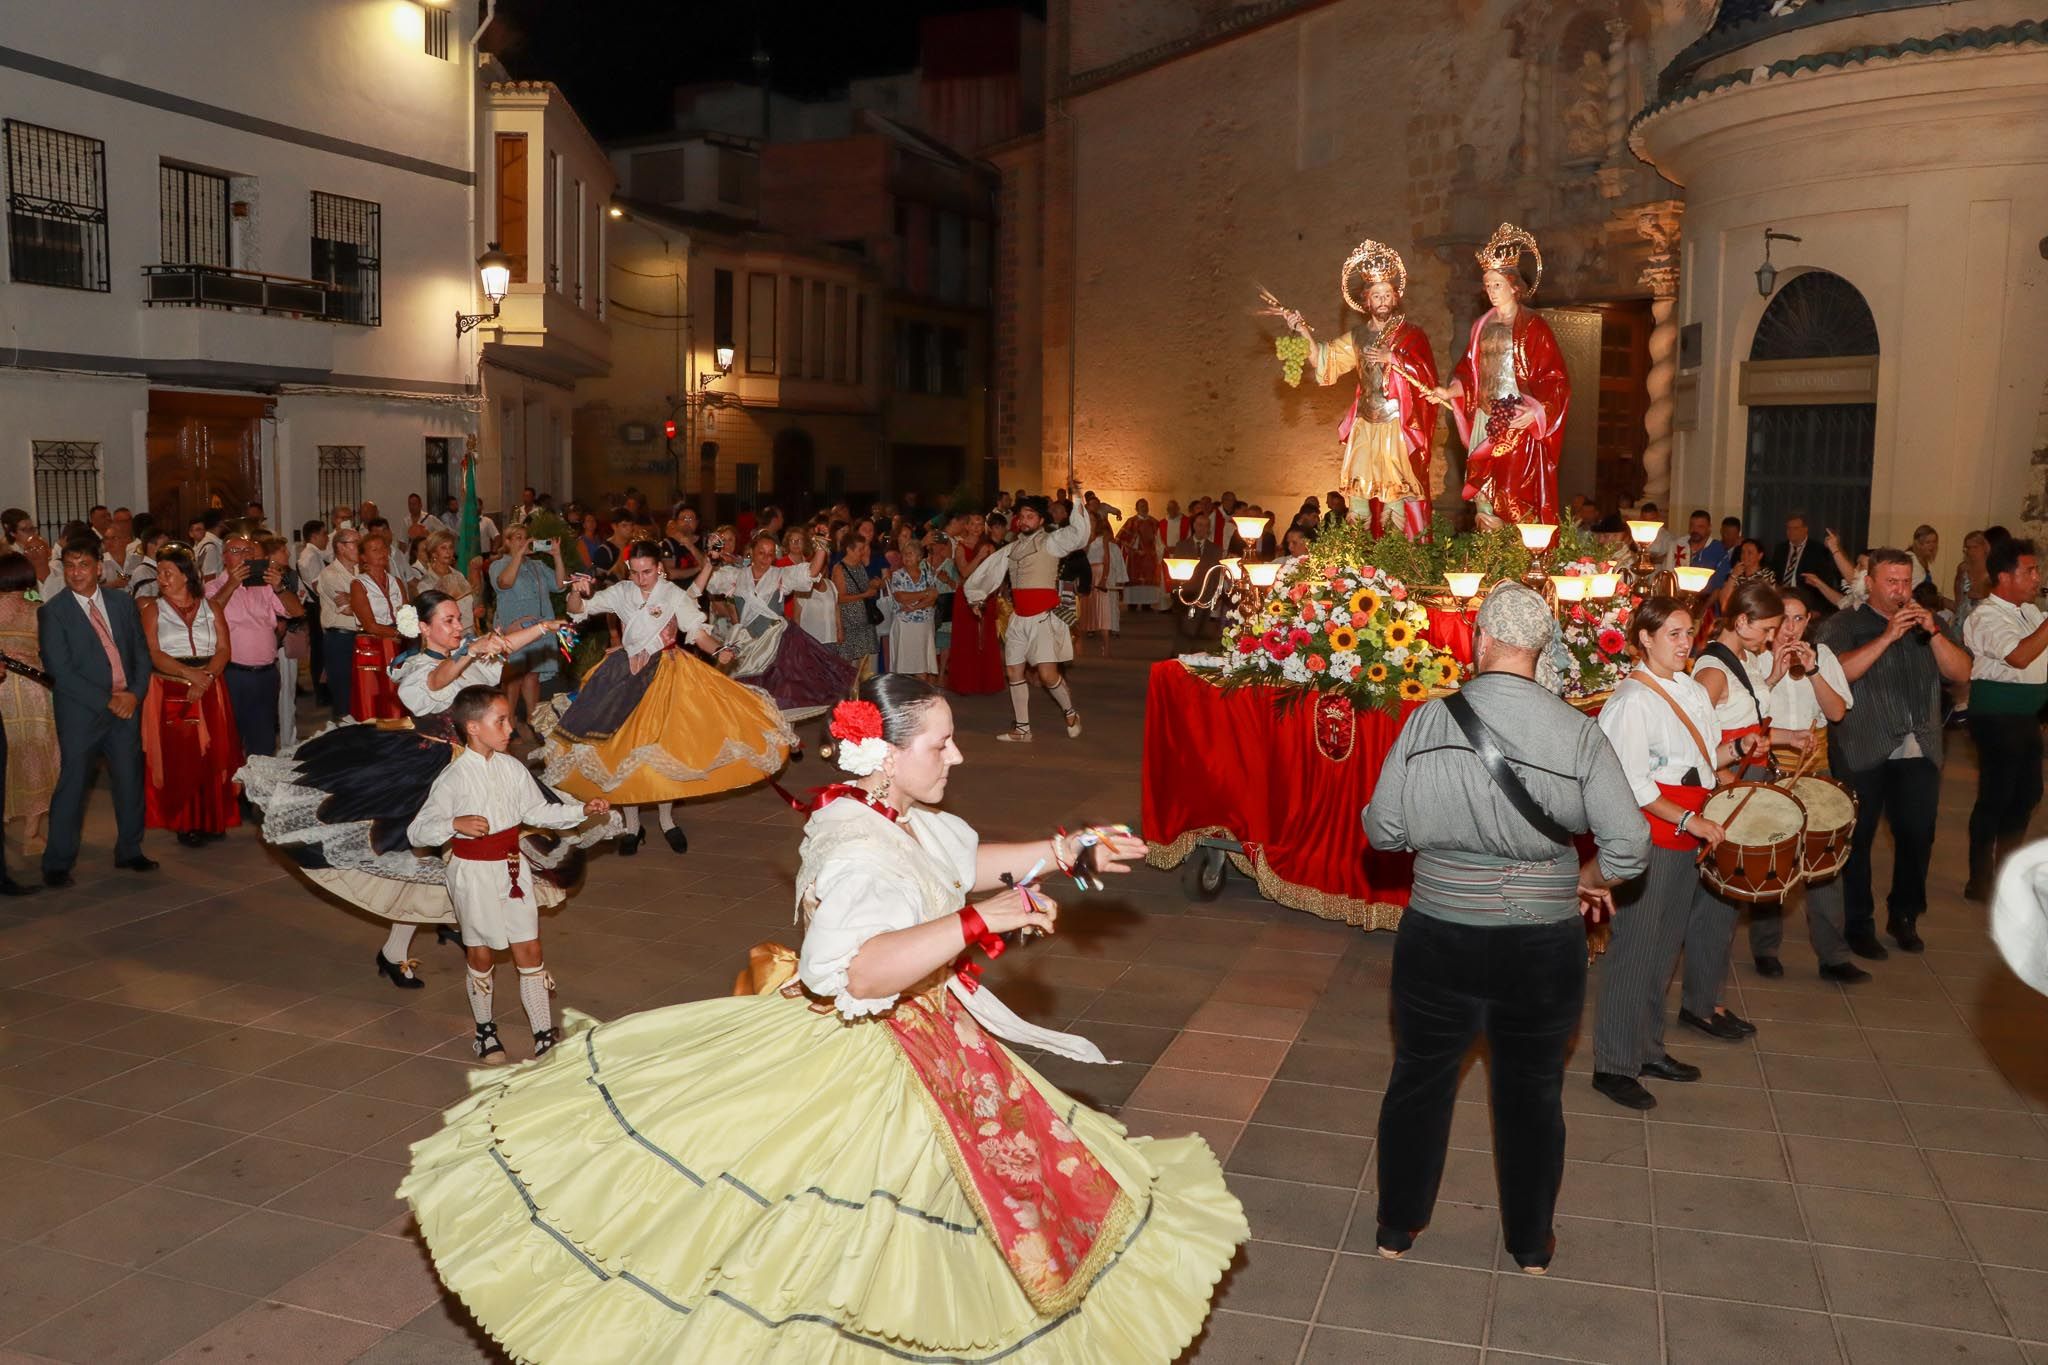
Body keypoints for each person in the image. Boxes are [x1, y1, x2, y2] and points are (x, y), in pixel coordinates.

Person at [397, 676, 1246, 1361]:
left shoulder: (882, 810)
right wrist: (983, 921)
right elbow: (858, 969)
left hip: (930, 1037)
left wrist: (1066, 851)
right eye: (938, 742)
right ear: (884, 753)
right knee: (848, 1240)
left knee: (926, 1233)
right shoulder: (856, 850)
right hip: (868, 1051)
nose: (956, 750)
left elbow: (958, 859)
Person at [1364, 583, 1647, 1272]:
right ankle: (1529, 1245)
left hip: (1439, 935)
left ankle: (1397, 1228)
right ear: (1541, 649)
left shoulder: (1430, 721)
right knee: (1532, 1093)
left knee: (1419, 1081)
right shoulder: (1578, 731)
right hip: (1541, 947)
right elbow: (1631, 846)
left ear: (1480, 641)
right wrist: (1590, 881)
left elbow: (1384, 828)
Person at [1591, 596, 1769, 1110]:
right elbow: (1633, 782)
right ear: (1644, 639)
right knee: (1636, 949)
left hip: (1691, 827)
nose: (1684, 641)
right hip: (1656, 831)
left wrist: (1739, 750)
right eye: (1671, 632)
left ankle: (1646, 1049)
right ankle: (1613, 1065)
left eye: (1688, 632)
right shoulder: (1631, 701)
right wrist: (1691, 819)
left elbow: (1700, 758)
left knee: (1665, 947)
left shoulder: (1690, 688)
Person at [544, 542, 793, 856]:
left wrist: (719, 649)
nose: (640, 578)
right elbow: (579, 610)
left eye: (646, 571)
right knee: (623, 749)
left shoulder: (673, 595)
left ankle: (666, 820)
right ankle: (633, 826)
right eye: (634, 571)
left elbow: (697, 632)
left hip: (666, 671)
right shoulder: (622, 591)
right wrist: (578, 591)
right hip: (626, 674)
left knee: (664, 747)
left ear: (659, 568)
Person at [408, 685, 611, 1061]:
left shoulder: (512, 767)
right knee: (481, 954)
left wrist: (580, 811)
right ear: (472, 728)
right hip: (472, 875)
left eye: (508, 720)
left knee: (529, 947)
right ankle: (485, 1031)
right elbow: (417, 831)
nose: (509, 729)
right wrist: (454, 823)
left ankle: (543, 1035)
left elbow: (537, 812)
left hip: (512, 872)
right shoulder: (453, 779)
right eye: (499, 721)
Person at [1818, 548, 1972, 956]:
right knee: (1859, 838)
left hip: (1919, 747)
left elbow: (1961, 673)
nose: (1901, 590)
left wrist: (1934, 633)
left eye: (1906, 582)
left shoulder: (1931, 623)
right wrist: (1887, 636)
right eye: (1892, 581)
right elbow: (1833, 675)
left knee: (1918, 835)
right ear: (1869, 582)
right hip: (1863, 744)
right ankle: (1858, 923)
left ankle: (1905, 915)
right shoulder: (1844, 623)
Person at [1270, 240, 1441, 534]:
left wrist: (1394, 357)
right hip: (1364, 422)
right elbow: (1327, 361)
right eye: (1377, 295)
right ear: (1367, 301)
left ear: (1396, 297)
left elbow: (1427, 378)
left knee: (1394, 494)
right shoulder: (1358, 336)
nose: (1383, 300)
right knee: (1358, 493)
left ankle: (1394, 559)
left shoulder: (1412, 335)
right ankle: (1355, 561)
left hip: (1395, 423)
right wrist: (1302, 331)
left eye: (1388, 294)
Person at [1758, 587, 1865, 982]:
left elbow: (1836, 712)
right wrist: (1773, 668)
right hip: (1770, 768)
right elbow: (1746, 714)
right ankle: (1766, 947)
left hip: (1815, 767)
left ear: (1809, 622)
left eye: (1799, 618)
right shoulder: (1753, 658)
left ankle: (1833, 955)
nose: (1791, 626)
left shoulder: (1823, 656)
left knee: (1824, 861)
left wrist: (1814, 669)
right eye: (1783, 618)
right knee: (1772, 860)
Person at [39, 536, 156, 885]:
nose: (76, 573)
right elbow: (60, 671)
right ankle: (58, 862)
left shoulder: (121, 603)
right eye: (70, 566)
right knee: (73, 785)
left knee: (129, 780)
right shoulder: (53, 611)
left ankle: (130, 850)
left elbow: (140, 654)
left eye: (83, 565)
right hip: (81, 713)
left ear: (98, 568)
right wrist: (110, 700)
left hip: (125, 708)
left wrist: (134, 695)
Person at [1435, 223, 1568, 528]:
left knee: (1511, 491)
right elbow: (1470, 372)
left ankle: (1518, 559)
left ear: (1513, 285)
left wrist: (1536, 411)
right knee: (1484, 493)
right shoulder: (1482, 325)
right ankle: (1490, 557)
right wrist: (1450, 392)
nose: (1491, 291)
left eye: (1497, 284)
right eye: (1488, 285)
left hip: (1515, 417)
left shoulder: (1534, 326)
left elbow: (1554, 378)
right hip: (1485, 414)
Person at [1961, 537, 2048, 902]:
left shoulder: (2029, 612)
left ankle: (2005, 871)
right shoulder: (1985, 615)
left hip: (2027, 714)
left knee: (2028, 793)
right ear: (2003, 576)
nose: (2037, 578)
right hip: (1996, 715)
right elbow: (2018, 657)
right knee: (1996, 796)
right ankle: (1980, 879)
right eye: (2029, 571)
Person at [139, 545, 244, 846]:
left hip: (210, 685)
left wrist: (207, 676)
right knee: (182, 756)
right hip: (172, 686)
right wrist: (189, 675)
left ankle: (214, 817)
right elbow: (153, 653)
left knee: (215, 753)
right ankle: (186, 821)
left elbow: (224, 648)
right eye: (159, 573)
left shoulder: (211, 608)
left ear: (186, 576)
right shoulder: (153, 610)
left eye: (168, 573)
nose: (162, 579)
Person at [964, 496, 1092, 742]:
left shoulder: (1051, 541)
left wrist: (1077, 500)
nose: (1023, 521)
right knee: (1013, 671)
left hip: (1042, 619)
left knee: (1047, 675)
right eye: (1021, 516)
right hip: (1018, 619)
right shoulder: (1012, 547)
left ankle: (1070, 712)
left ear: (1041, 520)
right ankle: (1022, 728)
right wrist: (976, 597)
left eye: (1030, 516)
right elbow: (990, 571)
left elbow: (1079, 534)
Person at [709, 531, 852, 721]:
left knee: (782, 694)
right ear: (751, 551)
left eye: (770, 554)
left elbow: (812, 571)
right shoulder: (735, 576)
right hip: (746, 641)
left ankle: (782, 739)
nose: (765, 558)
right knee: (742, 694)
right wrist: (711, 555)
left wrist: (821, 545)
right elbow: (707, 581)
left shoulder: (780, 575)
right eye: (761, 552)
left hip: (776, 641)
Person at [207, 534, 303, 760]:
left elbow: (297, 611)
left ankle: (258, 791)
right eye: (237, 551)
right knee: (232, 737)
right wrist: (232, 583)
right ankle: (234, 791)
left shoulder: (264, 586)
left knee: (264, 738)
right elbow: (209, 615)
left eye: (248, 551)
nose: (244, 556)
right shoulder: (212, 586)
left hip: (267, 673)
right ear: (224, 558)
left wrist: (279, 587)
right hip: (233, 674)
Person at [0, 553, 56, 861]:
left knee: (4, 758)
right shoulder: (38, 612)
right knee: (34, 757)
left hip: (1, 690)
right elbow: (51, 655)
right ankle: (32, 835)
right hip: (32, 694)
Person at [490, 524, 569, 740]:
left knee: (532, 674)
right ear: (507, 542)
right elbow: (505, 583)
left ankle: (533, 722)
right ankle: (509, 722)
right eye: (517, 538)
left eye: (526, 538)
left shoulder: (537, 565)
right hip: (514, 628)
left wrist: (557, 556)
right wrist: (518, 555)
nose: (523, 541)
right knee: (514, 676)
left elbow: (561, 585)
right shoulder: (499, 565)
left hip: (539, 627)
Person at [348, 530, 408, 721]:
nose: (381, 553)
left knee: (398, 693)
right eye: (374, 550)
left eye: (383, 548)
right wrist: (399, 632)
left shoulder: (396, 581)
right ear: (363, 557)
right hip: (372, 645)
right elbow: (370, 625)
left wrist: (410, 629)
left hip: (397, 644)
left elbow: (407, 615)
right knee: (373, 697)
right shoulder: (359, 584)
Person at [945, 515, 1004, 695]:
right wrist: (979, 556)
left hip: (986, 596)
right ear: (967, 526)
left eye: (980, 524)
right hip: (966, 597)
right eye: (973, 524)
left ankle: (986, 683)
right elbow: (964, 573)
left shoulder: (990, 546)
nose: (977, 527)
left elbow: (996, 574)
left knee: (986, 638)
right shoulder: (961, 548)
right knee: (967, 639)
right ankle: (966, 683)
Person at [314, 526, 363, 721]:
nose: (360, 547)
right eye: (355, 543)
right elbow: (350, 610)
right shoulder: (330, 574)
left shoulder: (362, 571)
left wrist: (355, 599)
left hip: (361, 636)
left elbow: (373, 604)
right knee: (344, 696)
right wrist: (364, 602)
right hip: (340, 639)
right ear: (341, 548)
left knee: (361, 694)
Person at [885, 538, 940, 682]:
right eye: (904, 554)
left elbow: (933, 598)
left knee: (921, 664)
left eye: (910, 554)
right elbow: (900, 597)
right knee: (902, 664)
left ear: (919, 557)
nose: (906, 557)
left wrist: (915, 606)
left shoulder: (928, 574)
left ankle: (919, 697)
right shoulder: (898, 575)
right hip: (904, 625)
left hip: (923, 625)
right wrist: (924, 594)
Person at [831, 534, 882, 684]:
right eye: (860, 549)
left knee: (866, 668)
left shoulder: (860, 566)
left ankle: (864, 696)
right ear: (849, 549)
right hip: (849, 625)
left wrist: (873, 585)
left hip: (864, 623)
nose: (863, 552)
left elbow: (863, 588)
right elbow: (839, 598)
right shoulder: (840, 568)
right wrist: (865, 594)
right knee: (848, 669)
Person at [1081, 510, 1125, 655]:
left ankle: (1106, 645)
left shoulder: (1103, 537)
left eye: (1093, 520)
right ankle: (1082, 644)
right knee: (1088, 608)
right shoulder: (1083, 537)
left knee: (1103, 609)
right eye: (1089, 520)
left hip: (1100, 570)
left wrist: (1105, 578)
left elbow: (1106, 558)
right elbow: (1080, 556)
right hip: (1087, 572)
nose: (1091, 523)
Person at [1117, 499, 1165, 610]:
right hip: (1135, 557)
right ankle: (1132, 604)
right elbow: (1121, 537)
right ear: (1137, 508)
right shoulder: (1131, 521)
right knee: (1134, 580)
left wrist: (1157, 552)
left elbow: (1159, 540)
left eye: (1146, 505)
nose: (1144, 508)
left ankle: (1147, 604)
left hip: (1150, 557)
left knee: (1148, 581)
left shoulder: (1154, 522)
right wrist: (1131, 545)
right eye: (1142, 506)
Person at [1771, 513, 1837, 594]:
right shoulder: (1780, 549)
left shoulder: (1818, 550)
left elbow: (1825, 580)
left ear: (1805, 529)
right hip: (1781, 594)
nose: (1791, 531)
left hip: (1806, 595)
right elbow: (1774, 574)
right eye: (1788, 528)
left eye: (1795, 528)